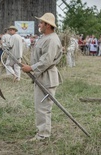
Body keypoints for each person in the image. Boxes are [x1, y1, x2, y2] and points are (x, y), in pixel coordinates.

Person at [22, 12, 63, 141]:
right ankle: (42, 131)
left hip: (47, 77)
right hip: (42, 76)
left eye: (41, 23)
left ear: (48, 25)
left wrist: (31, 68)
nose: (39, 25)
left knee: (43, 107)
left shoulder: (52, 39)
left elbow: (46, 61)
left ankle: (43, 135)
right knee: (40, 106)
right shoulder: (44, 37)